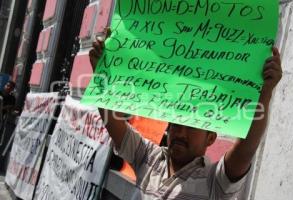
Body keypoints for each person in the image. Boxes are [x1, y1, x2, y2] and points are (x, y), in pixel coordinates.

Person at [89, 36, 282, 199]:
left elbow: (246, 149)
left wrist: (265, 93)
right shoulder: (148, 156)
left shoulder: (214, 181)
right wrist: (101, 73)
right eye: (174, 125)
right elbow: (112, 121)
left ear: (211, 137)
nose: (180, 132)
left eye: (191, 126)